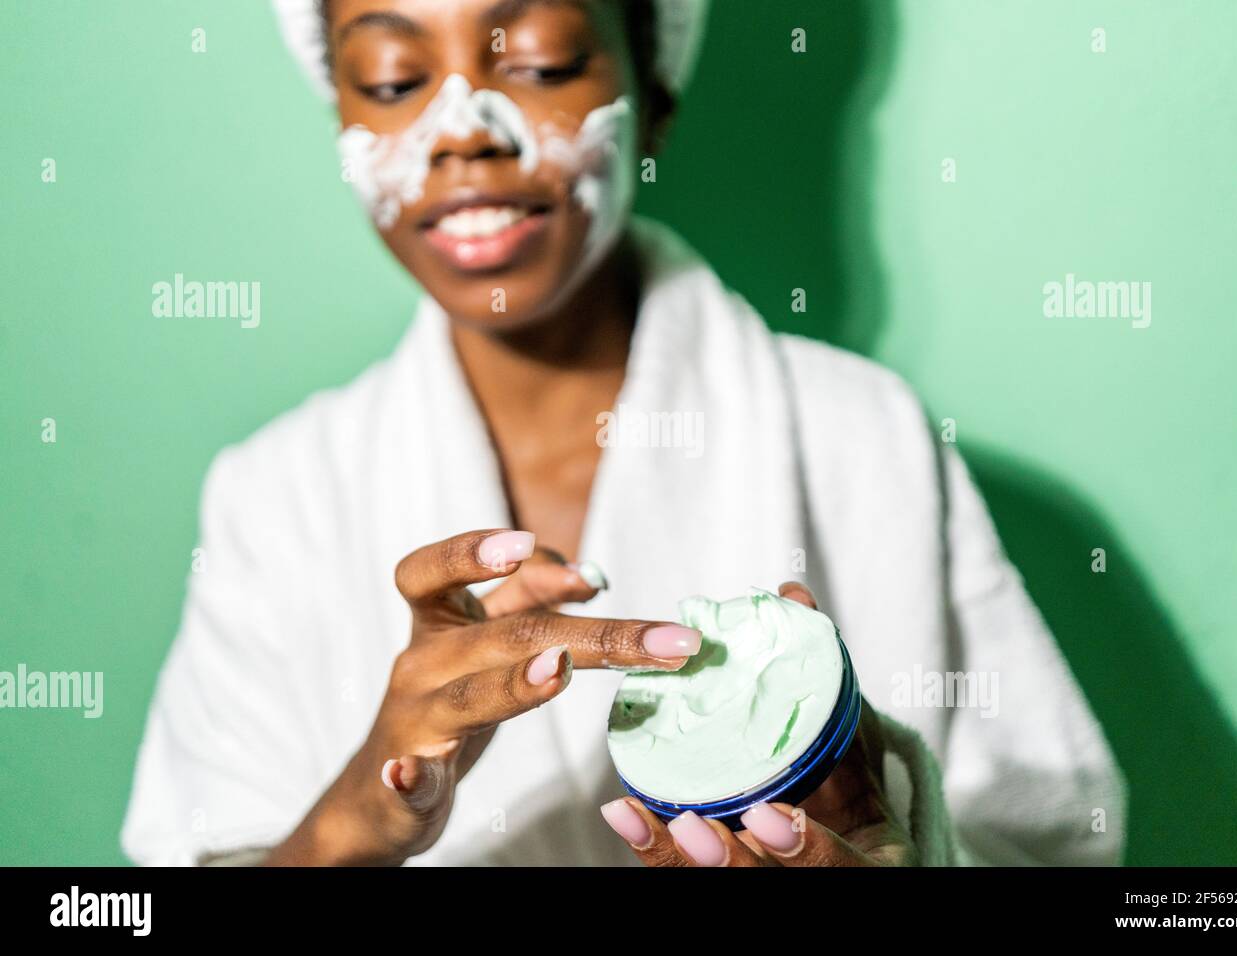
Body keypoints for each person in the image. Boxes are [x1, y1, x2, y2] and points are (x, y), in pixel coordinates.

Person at [121, 0, 1126, 866]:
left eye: (545, 63)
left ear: (655, 96)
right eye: (391, 79)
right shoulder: (272, 495)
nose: (462, 128)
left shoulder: (863, 435)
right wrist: (361, 815)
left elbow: (1058, 838)